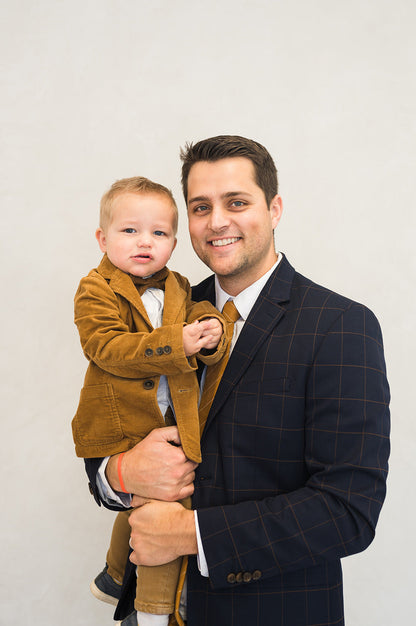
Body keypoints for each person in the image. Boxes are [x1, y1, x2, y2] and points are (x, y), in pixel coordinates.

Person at [85, 136, 390, 626]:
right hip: (147, 612)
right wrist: (117, 475)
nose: (217, 221)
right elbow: (110, 420)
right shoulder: (161, 318)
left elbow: (348, 511)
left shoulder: (340, 326)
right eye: (201, 207)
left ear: (274, 208)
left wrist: (191, 534)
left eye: (237, 202)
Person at [73, 176, 229, 626]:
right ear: (103, 238)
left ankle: (115, 573)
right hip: (121, 423)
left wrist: (212, 333)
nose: (145, 242)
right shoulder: (95, 287)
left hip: (167, 417)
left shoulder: (180, 285)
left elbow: (201, 318)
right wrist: (175, 344)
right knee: (163, 510)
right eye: (130, 231)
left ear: (174, 243)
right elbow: (106, 347)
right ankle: (154, 612)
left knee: (150, 500)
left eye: (159, 233)